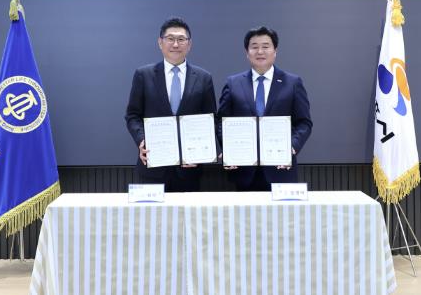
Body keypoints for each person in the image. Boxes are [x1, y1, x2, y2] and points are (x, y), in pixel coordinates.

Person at [125, 17, 217, 192]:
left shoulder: (204, 78)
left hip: (189, 169)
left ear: (189, 44)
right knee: (152, 211)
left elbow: (210, 119)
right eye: (170, 39)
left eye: (181, 39)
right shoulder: (144, 75)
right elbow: (132, 116)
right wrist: (142, 140)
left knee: (187, 211)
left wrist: (200, 152)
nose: (176, 44)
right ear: (160, 43)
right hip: (153, 166)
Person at [218, 26, 313, 191]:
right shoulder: (233, 83)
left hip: (281, 169)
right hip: (244, 171)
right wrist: (228, 147)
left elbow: (304, 123)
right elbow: (221, 122)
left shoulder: (292, 83)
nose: (260, 51)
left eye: (266, 46)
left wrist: (291, 147)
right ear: (247, 52)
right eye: (254, 47)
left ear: (275, 51)